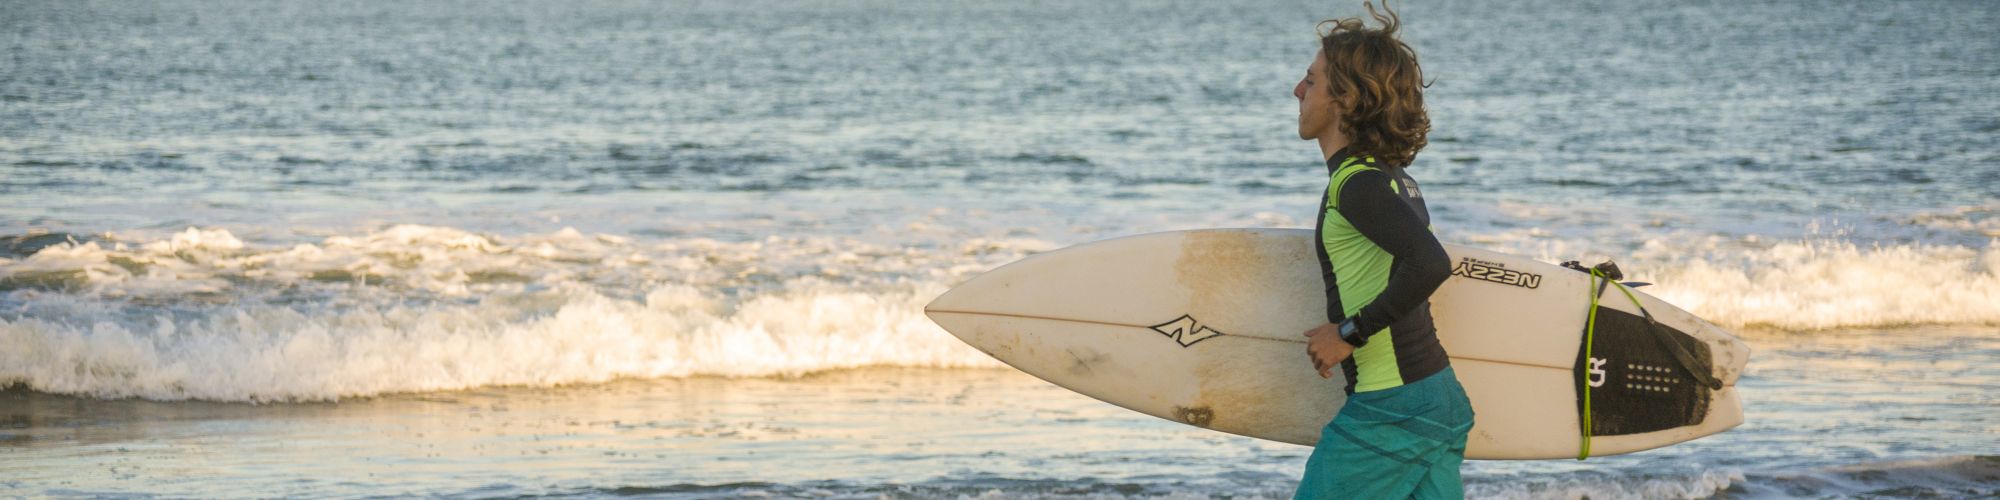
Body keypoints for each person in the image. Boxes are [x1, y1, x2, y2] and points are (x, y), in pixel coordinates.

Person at [1290, 2, 1475, 499]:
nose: (1297, 91)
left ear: (1346, 98)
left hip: (1393, 409)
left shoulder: (1357, 186)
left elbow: (1431, 262)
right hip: (1435, 397)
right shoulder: (1397, 180)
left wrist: (1349, 332)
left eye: (1311, 80)